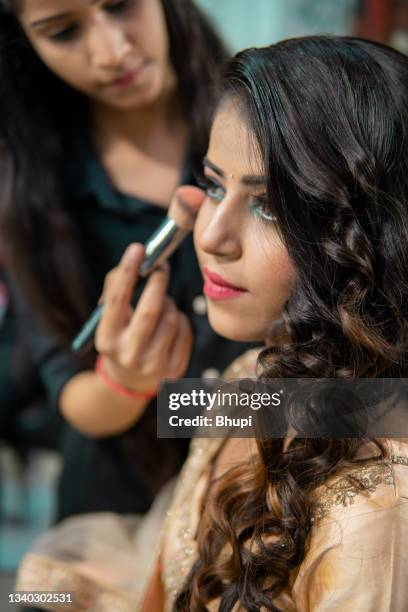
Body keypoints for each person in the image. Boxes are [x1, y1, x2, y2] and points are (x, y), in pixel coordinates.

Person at [138, 36, 406, 610]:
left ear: (368, 231)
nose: (210, 237)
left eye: (270, 206)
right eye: (213, 186)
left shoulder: (378, 512)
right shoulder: (248, 375)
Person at [0, 0, 248, 523]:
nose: (113, 53)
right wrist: (124, 380)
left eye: (120, 5)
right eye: (63, 31)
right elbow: (74, 398)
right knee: (37, 599)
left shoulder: (265, 126)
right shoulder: (31, 192)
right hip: (110, 517)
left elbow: (368, 400)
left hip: (261, 502)